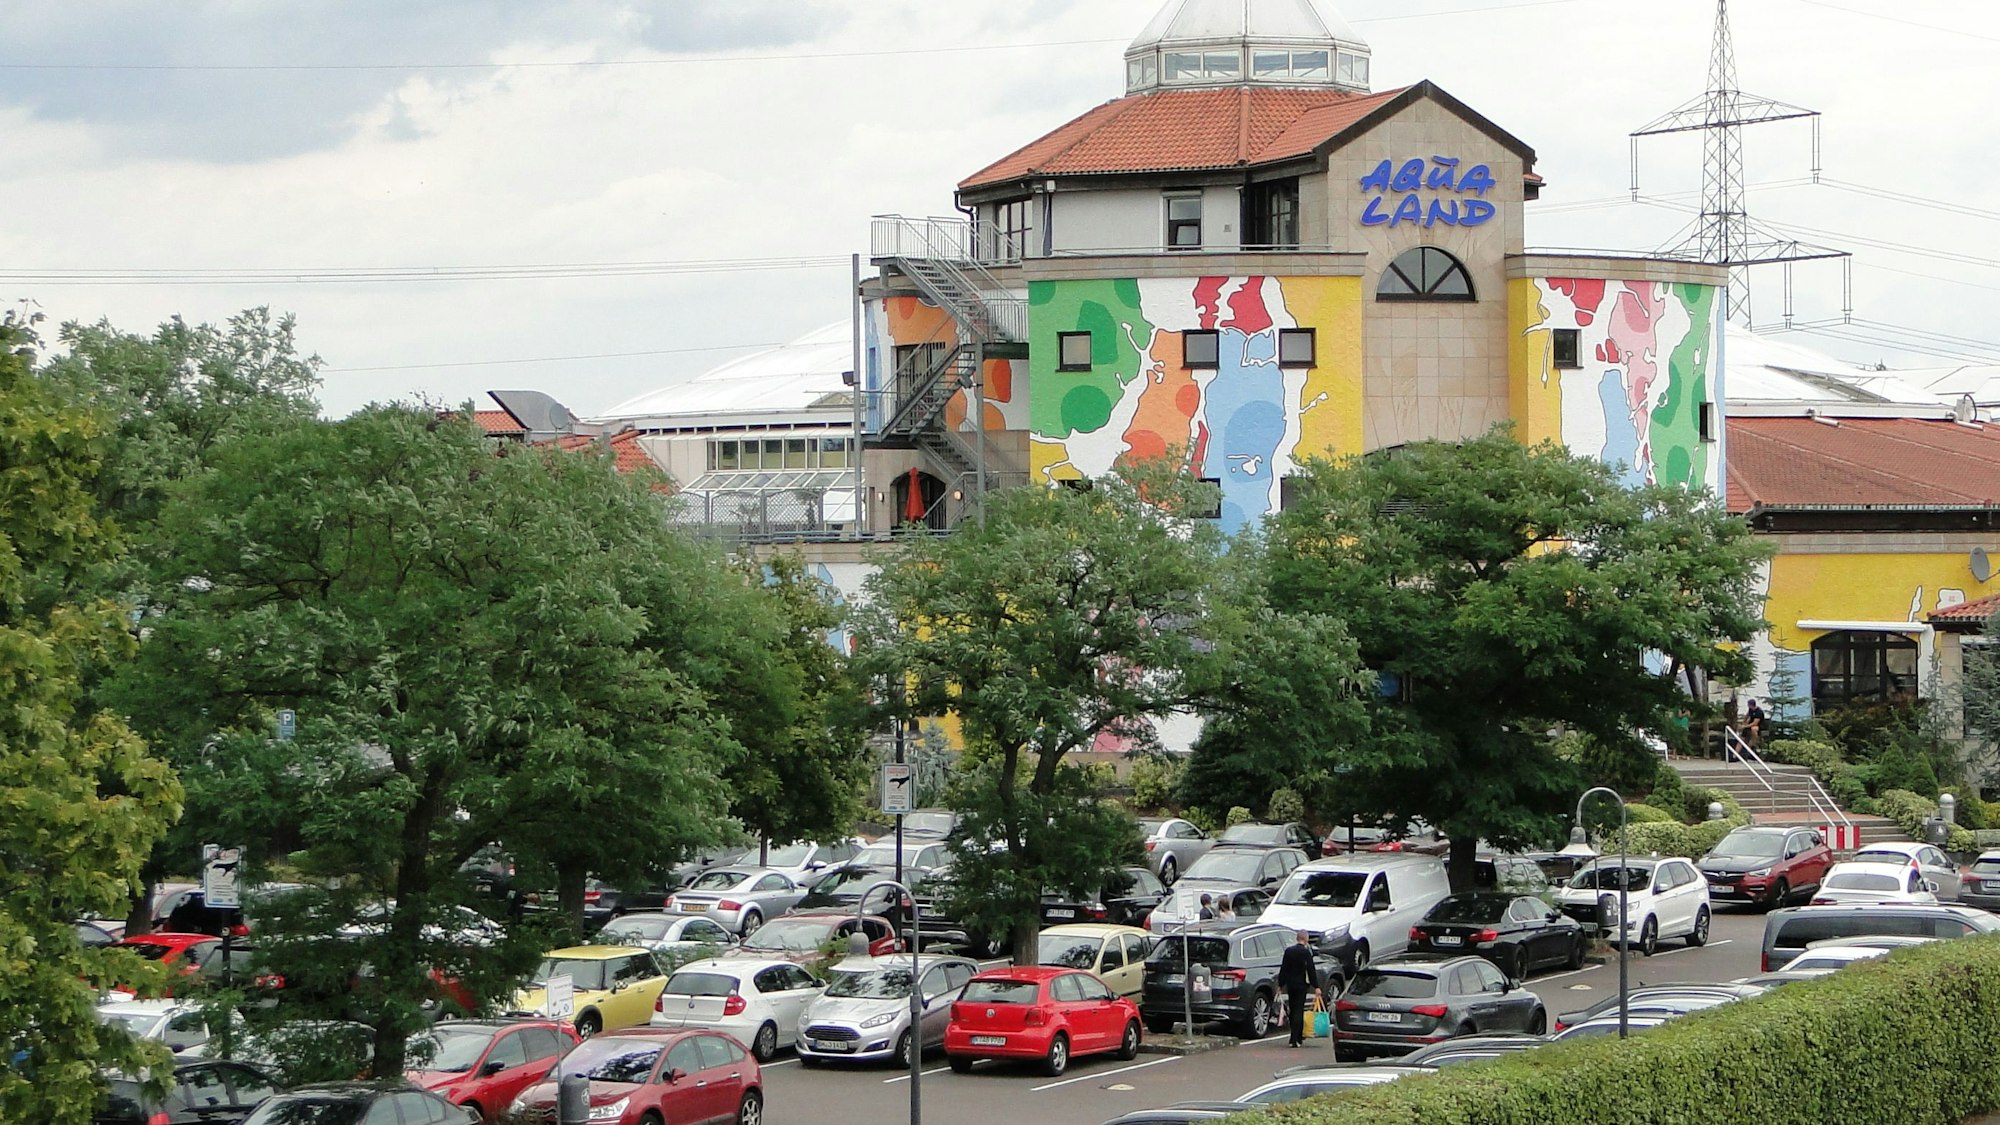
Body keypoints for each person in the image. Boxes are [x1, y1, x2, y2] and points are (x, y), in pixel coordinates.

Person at [1278, 930, 1316, 1047]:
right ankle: (1296, 1039)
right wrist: (1316, 986)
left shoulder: (1289, 951)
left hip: (1291, 985)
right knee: (1299, 1011)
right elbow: (1311, 970)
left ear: (1297, 938)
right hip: (1301, 985)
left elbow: (1284, 969)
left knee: (1293, 1009)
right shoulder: (1306, 953)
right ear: (1306, 939)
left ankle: (1294, 1037)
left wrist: (1280, 984)